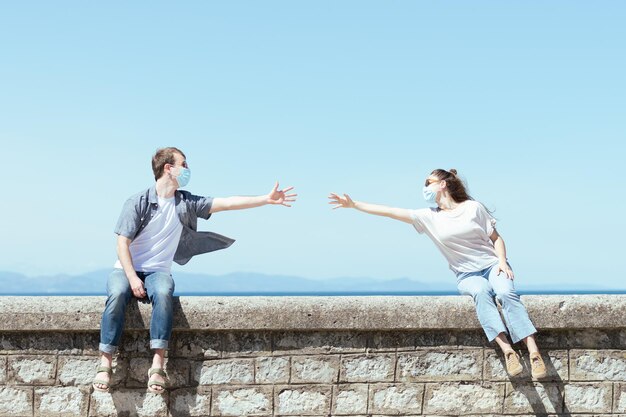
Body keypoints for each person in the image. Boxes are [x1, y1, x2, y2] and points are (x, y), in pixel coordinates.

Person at [92, 147, 297, 394]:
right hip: (127, 269)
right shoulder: (138, 202)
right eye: (184, 164)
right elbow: (121, 244)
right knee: (116, 295)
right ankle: (105, 363)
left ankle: (157, 365)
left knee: (165, 293)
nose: (187, 169)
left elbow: (227, 203)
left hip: (158, 271)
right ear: (169, 168)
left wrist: (265, 199)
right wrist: (132, 277)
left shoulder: (186, 203)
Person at [328, 168, 547, 379]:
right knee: (481, 294)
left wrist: (503, 262)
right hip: (467, 275)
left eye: (428, 183)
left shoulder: (473, 208)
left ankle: (533, 351)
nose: (424, 187)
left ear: (442, 184)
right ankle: (508, 351)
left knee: (506, 293)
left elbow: (496, 238)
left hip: (492, 266)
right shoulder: (428, 217)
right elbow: (391, 211)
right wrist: (354, 205)